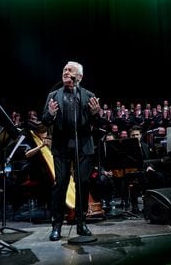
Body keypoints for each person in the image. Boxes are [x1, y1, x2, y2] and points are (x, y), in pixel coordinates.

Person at [42, 61, 101, 241]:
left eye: (70, 70)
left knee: (82, 183)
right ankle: (57, 225)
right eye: (64, 70)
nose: (66, 72)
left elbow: (97, 124)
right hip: (61, 146)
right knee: (60, 184)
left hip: (83, 145)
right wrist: (50, 114)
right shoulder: (53, 95)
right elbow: (45, 120)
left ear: (79, 77)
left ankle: (81, 223)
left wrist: (95, 113)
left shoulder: (88, 95)